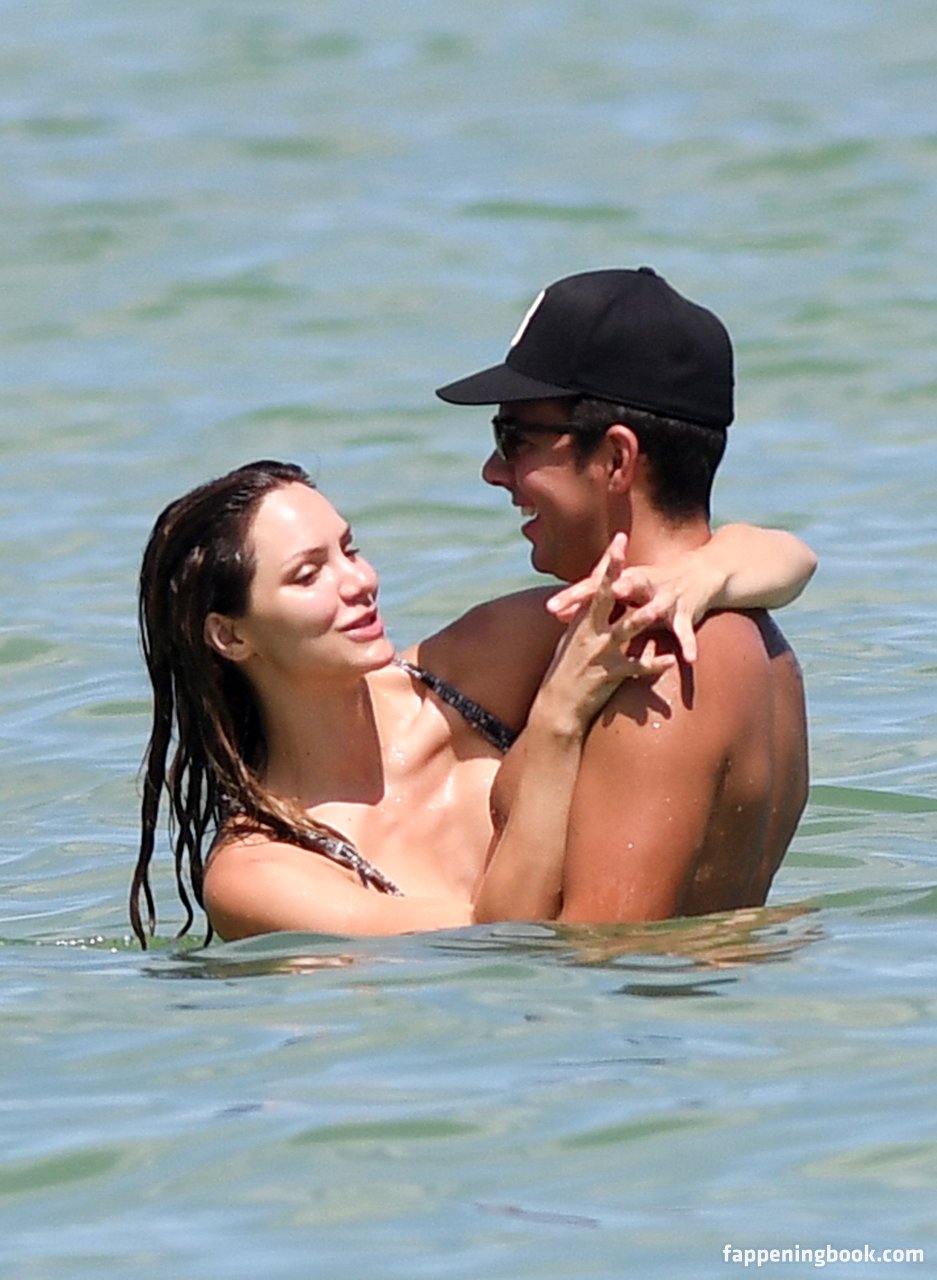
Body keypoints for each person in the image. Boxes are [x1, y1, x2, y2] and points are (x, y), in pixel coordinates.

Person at [131, 455, 812, 944]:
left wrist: (697, 578)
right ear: (230, 635)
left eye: (350, 549)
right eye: (309, 575)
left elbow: (782, 560)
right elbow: (501, 945)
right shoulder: (260, 874)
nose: (359, 581)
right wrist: (556, 719)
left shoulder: (473, 666)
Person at [435, 265, 812, 922]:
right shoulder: (756, 642)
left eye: (514, 440)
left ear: (615, 459)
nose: (493, 471)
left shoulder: (661, 658)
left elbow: (610, 952)